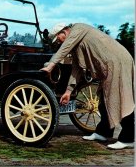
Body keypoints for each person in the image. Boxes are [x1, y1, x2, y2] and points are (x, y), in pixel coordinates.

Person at [41, 22, 135, 150]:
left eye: (57, 39)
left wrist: (51, 64)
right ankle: (103, 132)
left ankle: (128, 138)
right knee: (103, 99)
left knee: (120, 98)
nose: (58, 43)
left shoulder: (78, 28)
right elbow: (77, 69)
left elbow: (65, 47)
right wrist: (68, 91)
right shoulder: (76, 44)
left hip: (117, 61)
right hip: (108, 65)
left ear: (63, 32)